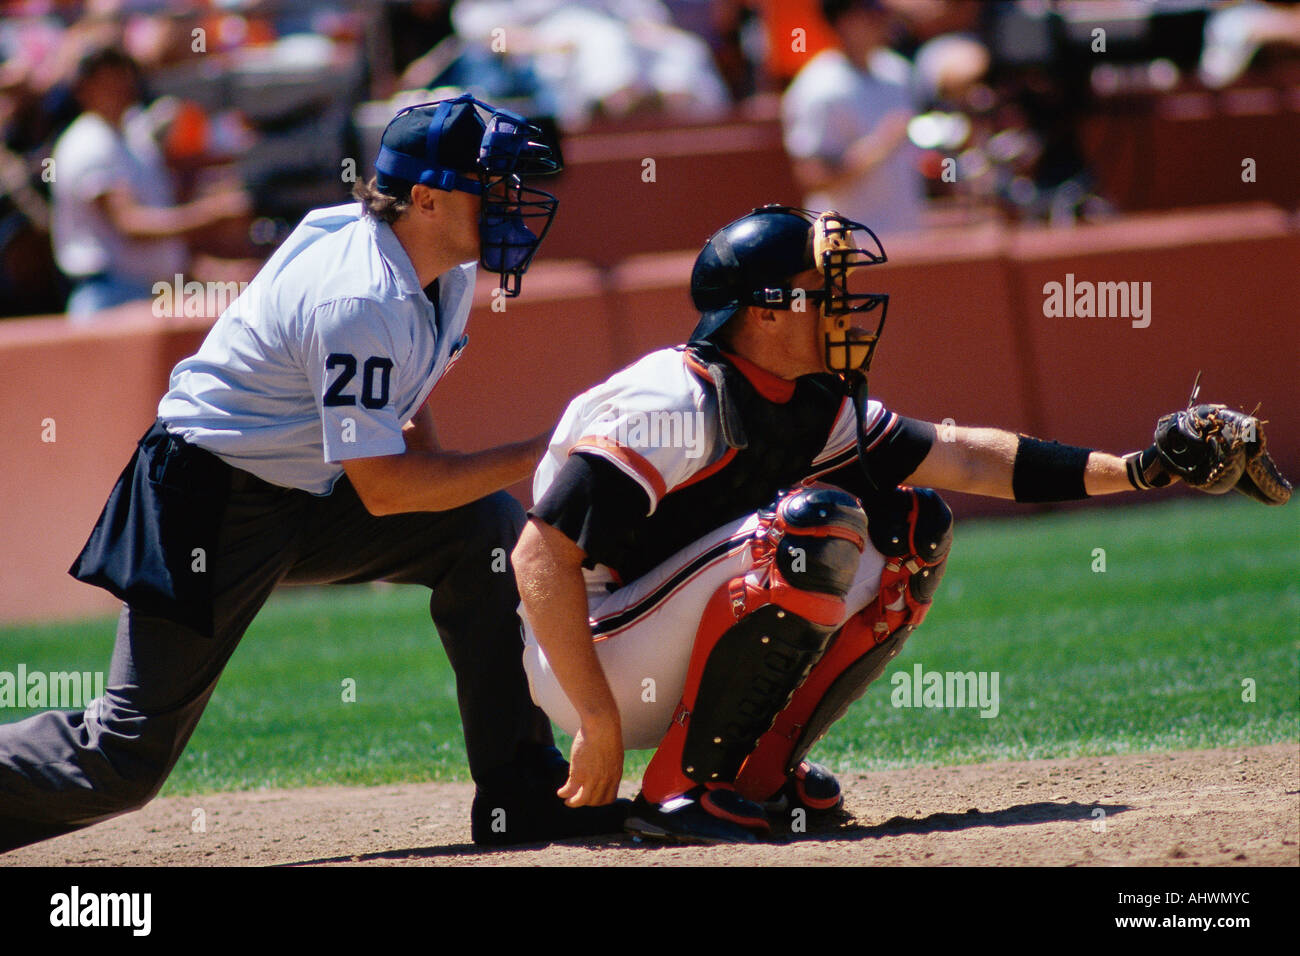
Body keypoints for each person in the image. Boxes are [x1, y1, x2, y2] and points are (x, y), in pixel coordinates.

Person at [511, 204, 1289, 843]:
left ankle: (757, 776)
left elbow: (966, 458)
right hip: (587, 650)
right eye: (827, 290)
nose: (847, 306)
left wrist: (1139, 468)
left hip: (655, 629)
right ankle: (681, 792)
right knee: (808, 531)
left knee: (911, 527)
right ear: (765, 310)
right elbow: (537, 553)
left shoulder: (813, 397)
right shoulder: (674, 401)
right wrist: (597, 719)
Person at [0, 93, 627, 853]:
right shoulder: (361, 293)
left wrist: (494, 470)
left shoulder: (438, 269)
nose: (509, 201)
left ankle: (522, 796)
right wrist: (547, 449)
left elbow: (396, 426)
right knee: (122, 758)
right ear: (425, 198)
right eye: (488, 185)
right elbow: (388, 487)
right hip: (209, 499)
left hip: (305, 484)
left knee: (484, 532)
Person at [49, 47, 249, 321]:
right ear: (84, 89)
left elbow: (158, 230)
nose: (119, 85)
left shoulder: (133, 134)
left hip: (151, 291)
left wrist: (213, 271)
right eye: (107, 80)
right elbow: (130, 224)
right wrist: (211, 213)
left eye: (122, 75)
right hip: (108, 297)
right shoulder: (87, 142)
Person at [781, 0, 924, 235]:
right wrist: (879, 145)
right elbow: (813, 175)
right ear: (844, 20)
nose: (881, 17)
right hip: (848, 244)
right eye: (870, 10)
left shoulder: (898, 72)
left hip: (907, 234)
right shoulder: (818, 86)